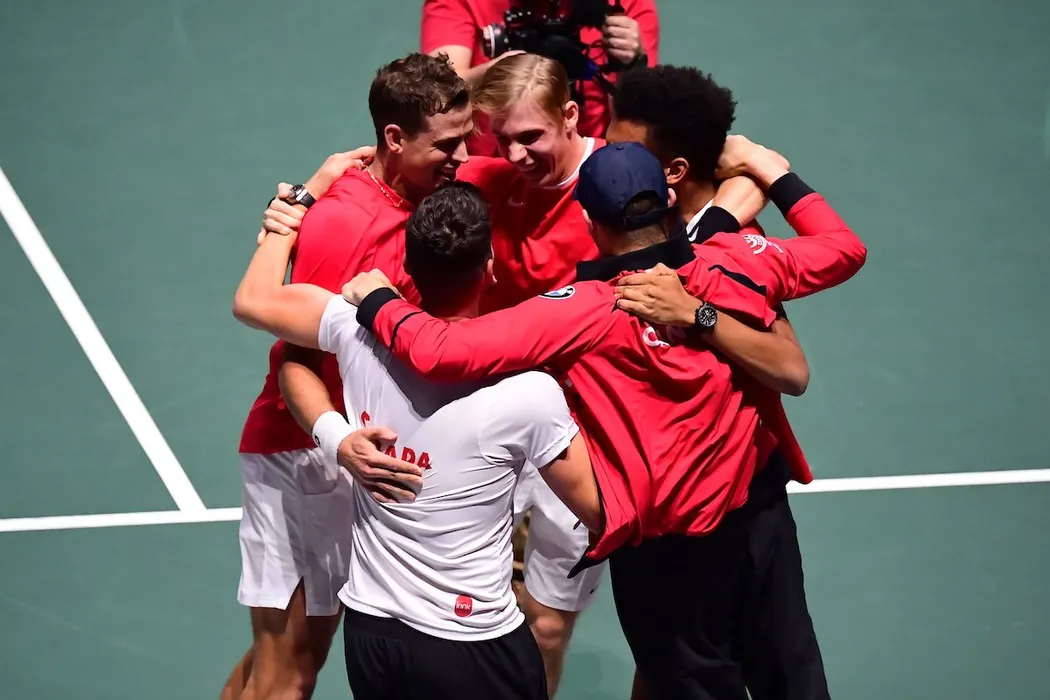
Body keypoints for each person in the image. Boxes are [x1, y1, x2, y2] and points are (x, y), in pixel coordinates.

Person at [343, 140, 866, 699]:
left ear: (590, 222)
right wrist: (772, 172)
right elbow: (843, 248)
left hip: (665, 557)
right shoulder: (735, 260)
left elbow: (442, 351)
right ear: (668, 199)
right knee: (793, 676)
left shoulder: (582, 310)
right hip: (760, 523)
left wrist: (378, 300)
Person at [233, 181, 605, 700]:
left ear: (407, 268)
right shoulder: (529, 393)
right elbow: (600, 512)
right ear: (490, 268)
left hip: (373, 634)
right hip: (474, 641)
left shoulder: (356, 332)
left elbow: (262, 315)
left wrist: (335, 436)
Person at [223, 53, 474, 700]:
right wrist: (336, 441)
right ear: (394, 138)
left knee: (277, 661)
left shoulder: (425, 190)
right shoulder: (346, 223)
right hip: (303, 455)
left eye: (466, 138)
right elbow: (295, 357)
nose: (463, 157)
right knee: (289, 676)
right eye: (446, 145)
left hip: (344, 453)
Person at [607, 65, 857, 699]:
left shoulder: (737, 250)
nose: (607, 161)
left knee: (785, 677)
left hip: (742, 504)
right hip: (659, 511)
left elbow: (791, 368)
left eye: (622, 150)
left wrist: (699, 314)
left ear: (673, 172)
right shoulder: (658, 216)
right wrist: (760, 175)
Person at [421, 0, 660, 155]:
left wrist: (631, 66)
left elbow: (636, 128)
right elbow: (436, 94)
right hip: (495, 166)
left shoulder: (624, 7)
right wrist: (499, 71)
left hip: (594, 164)